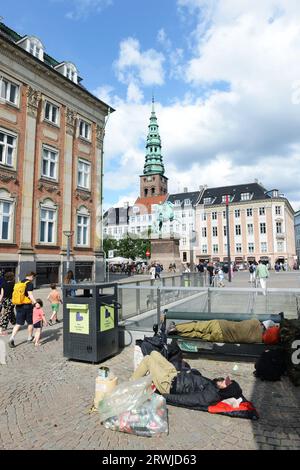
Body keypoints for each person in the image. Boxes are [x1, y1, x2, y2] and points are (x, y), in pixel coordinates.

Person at [131, 350, 220, 408]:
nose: (223, 380)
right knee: (154, 353)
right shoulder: (212, 384)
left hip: (168, 385)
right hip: (175, 374)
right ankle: (144, 376)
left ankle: (130, 386)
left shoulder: (211, 395)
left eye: (226, 383)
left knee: (148, 359)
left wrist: (166, 396)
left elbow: (186, 400)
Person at [8, 272, 37, 348]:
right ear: (31, 276)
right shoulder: (29, 284)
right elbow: (30, 295)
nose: (33, 279)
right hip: (27, 306)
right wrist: (35, 303)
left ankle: (12, 338)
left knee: (18, 323)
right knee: (30, 323)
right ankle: (30, 337)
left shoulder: (19, 283)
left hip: (18, 305)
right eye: (33, 277)